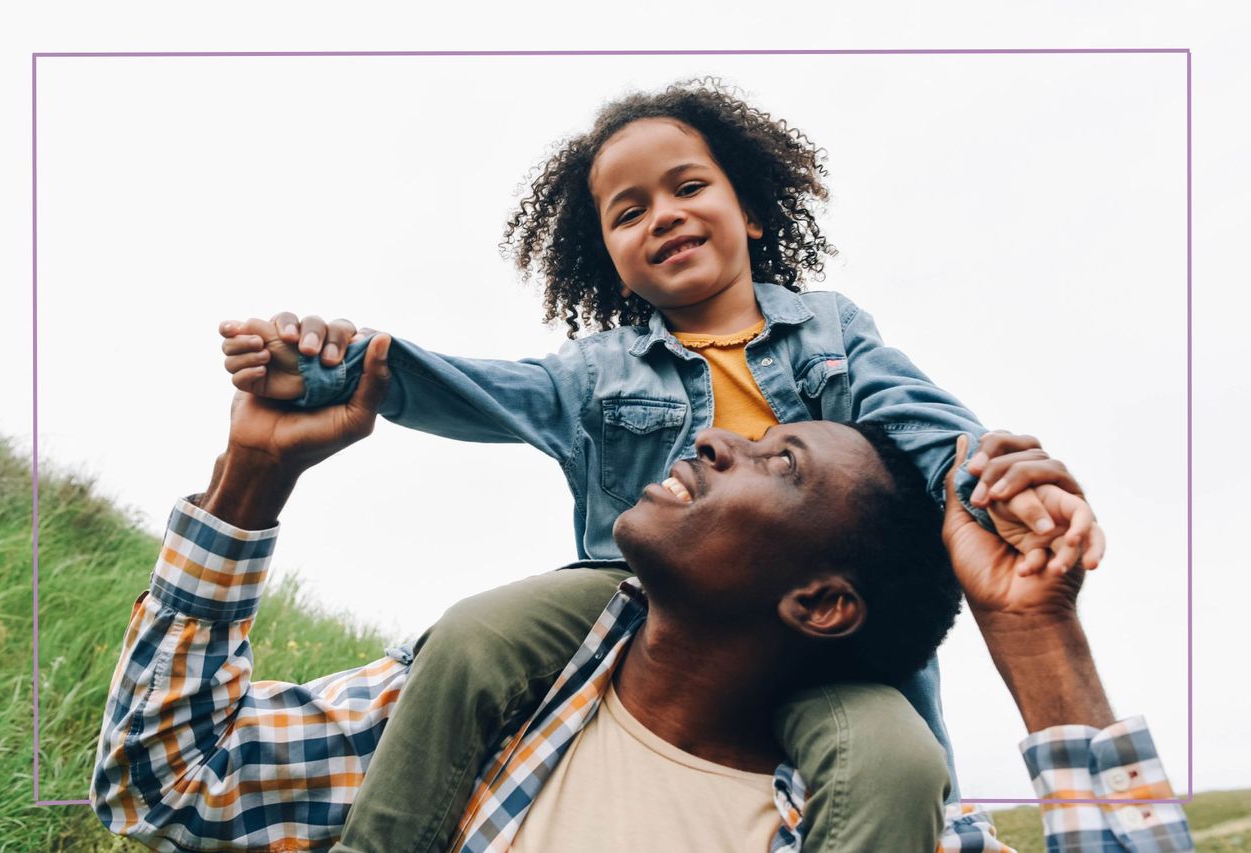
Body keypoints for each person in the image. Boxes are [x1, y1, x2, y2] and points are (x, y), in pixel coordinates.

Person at [216, 79, 1098, 852]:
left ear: (749, 210)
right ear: (611, 260)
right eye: (629, 212)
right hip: (630, 606)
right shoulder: (596, 372)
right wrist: (332, 365)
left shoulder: (831, 333)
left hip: (829, 644)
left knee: (901, 757)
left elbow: (927, 424)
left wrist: (998, 483)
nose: (663, 214)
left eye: (687, 186)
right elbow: (468, 387)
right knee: (478, 630)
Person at [91, 336, 1191, 852]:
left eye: (782, 464)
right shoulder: (481, 710)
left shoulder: (882, 821)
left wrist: (1033, 632)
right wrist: (253, 477)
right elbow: (166, 784)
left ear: (818, 603)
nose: (716, 438)